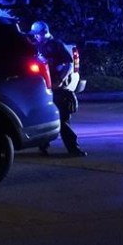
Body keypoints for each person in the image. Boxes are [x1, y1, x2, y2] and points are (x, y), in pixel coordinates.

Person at [29, 20, 87, 157]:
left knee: (63, 119)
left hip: (57, 87)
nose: (35, 37)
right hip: (44, 87)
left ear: (44, 33)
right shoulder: (37, 46)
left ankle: (73, 148)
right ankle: (43, 145)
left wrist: (59, 80)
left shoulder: (56, 45)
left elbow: (69, 65)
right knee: (44, 117)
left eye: (37, 35)